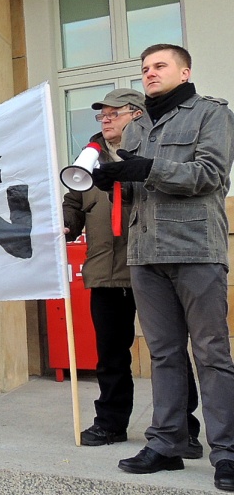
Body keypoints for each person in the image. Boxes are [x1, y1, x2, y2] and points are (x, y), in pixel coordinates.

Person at [92, 44, 234, 491]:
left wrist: (146, 167)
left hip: (196, 249)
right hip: (145, 255)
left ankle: (227, 452)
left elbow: (210, 174)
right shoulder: (137, 127)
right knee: (164, 354)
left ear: (184, 70)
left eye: (159, 66)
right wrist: (113, 181)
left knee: (212, 354)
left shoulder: (210, 114)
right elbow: (138, 189)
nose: (150, 73)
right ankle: (168, 444)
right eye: (145, 68)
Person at [63, 88, 200, 455]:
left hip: (153, 266)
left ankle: (182, 428)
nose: (105, 119)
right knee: (110, 355)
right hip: (107, 272)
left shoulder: (156, 153)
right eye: (101, 115)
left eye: (114, 113)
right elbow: (73, 205)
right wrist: (65, 224)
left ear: (137, 114)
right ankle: (110, 423)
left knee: (168, 352)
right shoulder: (86, 160)